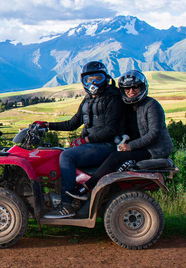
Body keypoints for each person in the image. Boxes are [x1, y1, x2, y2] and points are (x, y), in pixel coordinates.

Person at [34, 61, 124, 218]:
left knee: (67, 156)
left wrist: (86, 140)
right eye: (89, 79)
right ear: (83, 81)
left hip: (106, 146)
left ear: (106, 79)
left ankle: (67, 204)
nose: (93, 83)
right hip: (94, 144)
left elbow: (111, 130)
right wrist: (47, 125)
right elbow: (72, 123)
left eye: (98, 78)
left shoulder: (112, 98)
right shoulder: (88, 100)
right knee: (57, 153)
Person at [66, 70, 174, 201]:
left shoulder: (151, 105)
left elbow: (154, 134)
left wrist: (130, 146)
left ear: (142, 87)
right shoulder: (128, 107)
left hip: (154, 149)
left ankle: (85, 188)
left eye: (135, 87)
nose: (131, 91)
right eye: (127, 88)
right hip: (140, 147)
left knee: (116, 158)